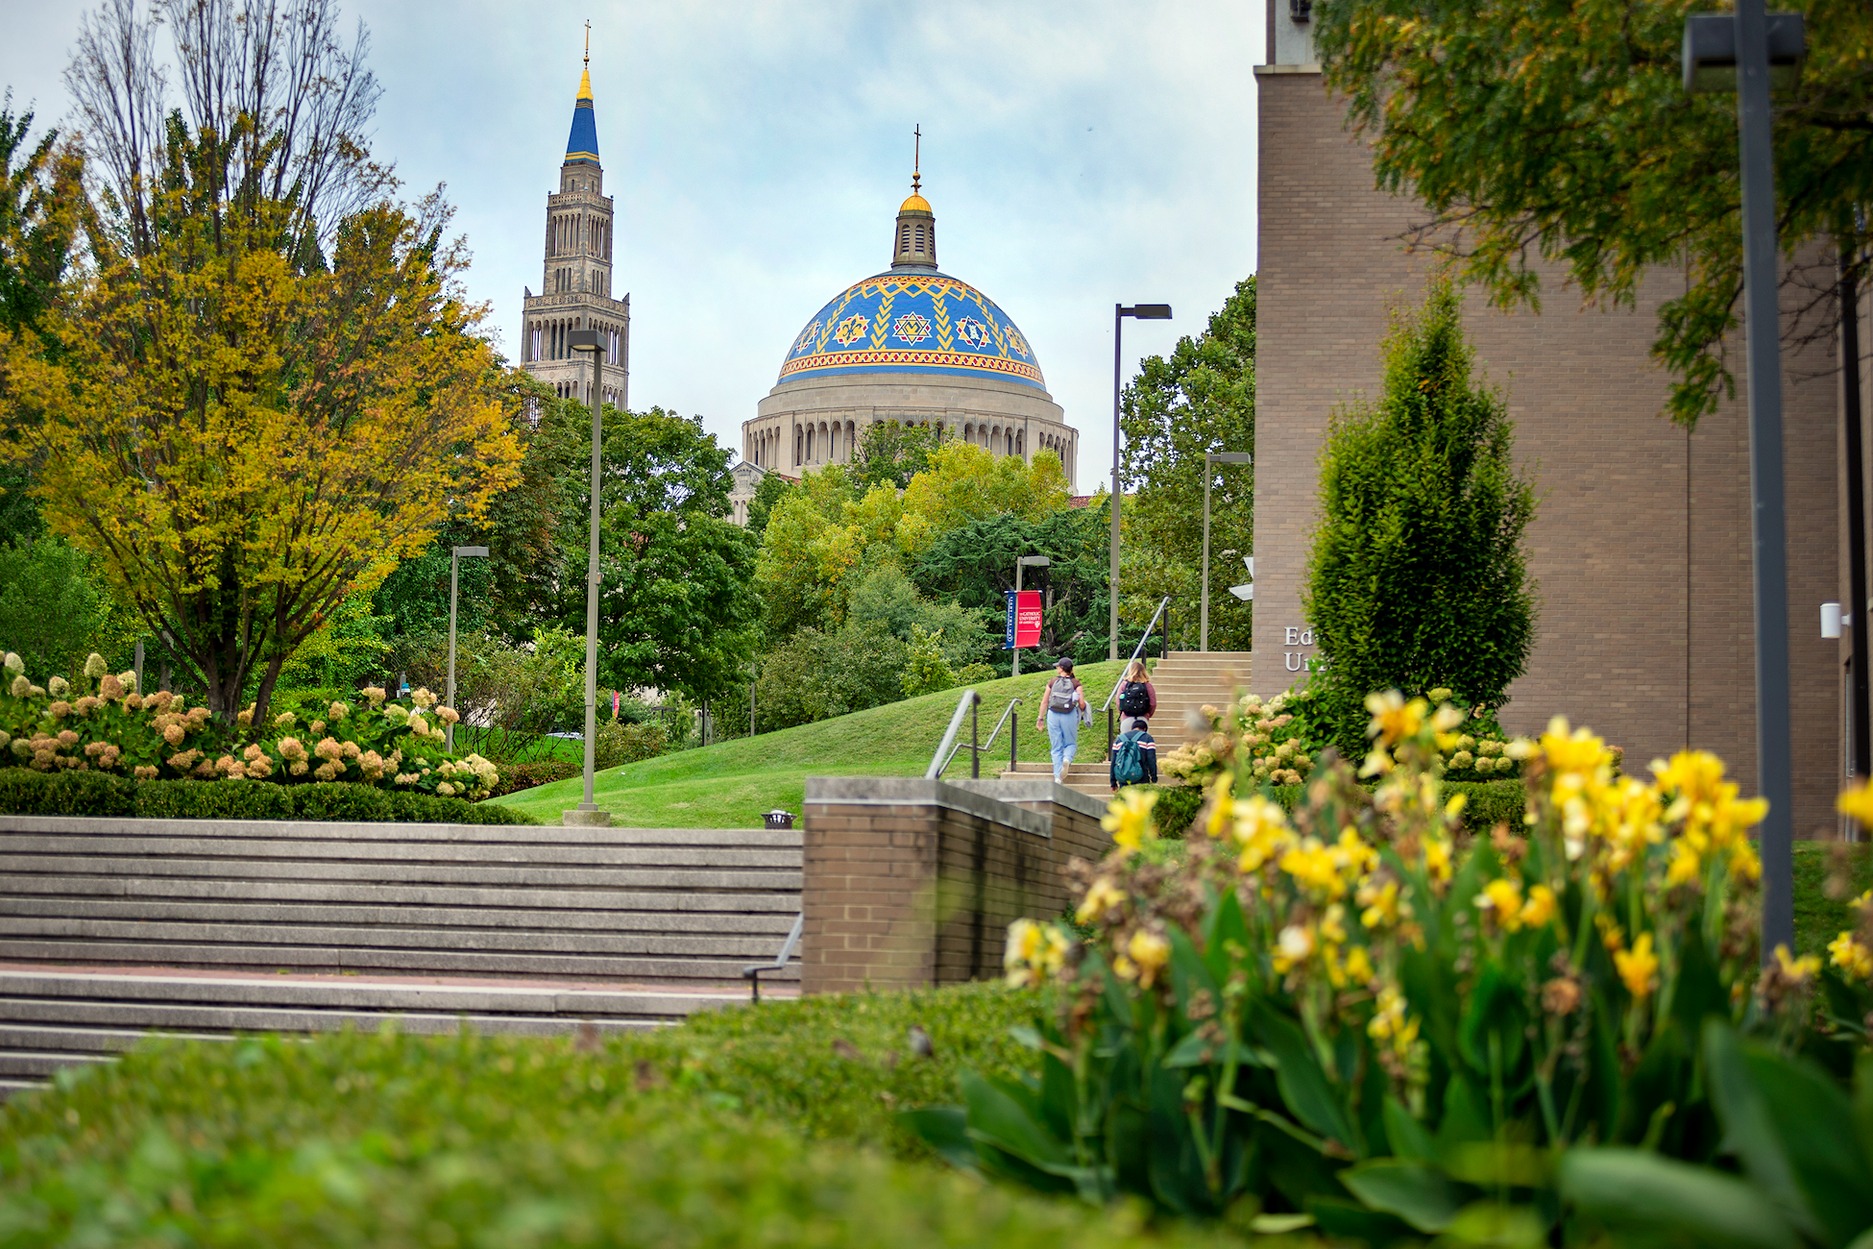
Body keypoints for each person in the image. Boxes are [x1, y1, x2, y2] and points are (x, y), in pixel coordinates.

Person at [1036, 656, 1088, 783]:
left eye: (1058, 667)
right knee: (1070, 743)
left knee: (1056, 746)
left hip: (1053, 714)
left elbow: (1044, 701)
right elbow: (1081, 704)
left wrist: (1040, 718)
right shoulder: (1076, 683)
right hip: (1069, 714)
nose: (1057, 668)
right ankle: (1067, 759)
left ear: (1061, 669)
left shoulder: (1052, 682)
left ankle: (1057, 777)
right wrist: (1084, 706)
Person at [1110, 717, 1159, 791]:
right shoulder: (1147, 738)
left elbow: (1114, 762)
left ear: (1132, 728)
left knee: (1125, 800)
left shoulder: (1119, 739)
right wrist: (1154, 777)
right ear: (1145, 729)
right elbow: (1151, 759)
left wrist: (1113, 782)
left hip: (1123, 777)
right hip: (1141, 777)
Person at [1115, 658, 1157, 733]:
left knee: (1126, 743)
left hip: (1126, 719)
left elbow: (1118, 702)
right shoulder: (1147, 685)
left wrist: (1123, 712)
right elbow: (1153, 704)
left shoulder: (1124, 684)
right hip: (1142, 720)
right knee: (1142, 743)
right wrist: (1147, 714)